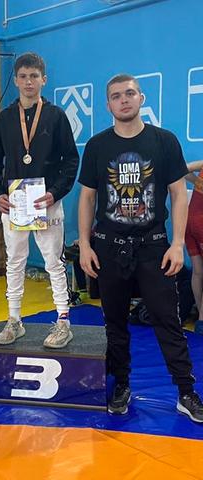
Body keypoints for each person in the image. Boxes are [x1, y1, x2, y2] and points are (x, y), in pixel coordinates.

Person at [78, 73, 203, 422]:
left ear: (141, 98)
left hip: (154, 247)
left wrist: (177, 243)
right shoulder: (97, 146)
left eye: (130, 93)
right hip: (109, 247)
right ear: (108, 105)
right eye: (116, 95)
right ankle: (121, 384)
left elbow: (178, 194)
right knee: (114, 322)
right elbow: (87, 198)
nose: (124, 100)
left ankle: (186, 392)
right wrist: (85, 244)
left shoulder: (164, 141)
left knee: (168, 321)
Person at [0, 52, 79, 348]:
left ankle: (63, 322)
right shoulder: (5, 118)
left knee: (54, 262)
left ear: (44, 80)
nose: (29, 82)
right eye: (23, 76)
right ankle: (14, 320)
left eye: (34, 76)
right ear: (15, 80)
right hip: (15, 203)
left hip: (46, 201)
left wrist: (56, 192)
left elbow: (71, 160)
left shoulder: (56, 116)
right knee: (14, 261)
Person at [185, 160, 203, 334]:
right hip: (201, 224)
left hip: (189, 221)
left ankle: (200, 316)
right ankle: (202, 320)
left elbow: (183, 168)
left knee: (198, 272)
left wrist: (197, 181)